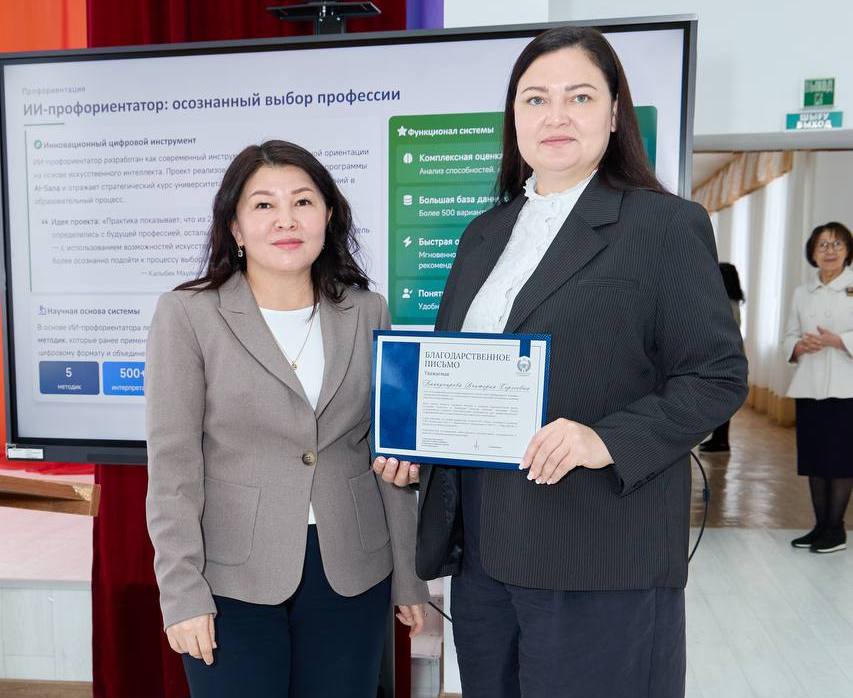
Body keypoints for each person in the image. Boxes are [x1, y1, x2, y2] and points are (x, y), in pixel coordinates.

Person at [376, 26, 747, 698]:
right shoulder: (483, 234)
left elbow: (716, 375)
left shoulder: (663, 225)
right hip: (485, 556)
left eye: (579, 97)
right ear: (513, 117)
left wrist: (604, 439)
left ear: (614, 113)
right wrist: (416, 444)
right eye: (535, 98)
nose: (555, 116)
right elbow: (460, 370)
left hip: (598, 555)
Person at [145, 140, 428, 698]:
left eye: (302, 201)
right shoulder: (188, 314)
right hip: (231, 577)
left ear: (328, 215)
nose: (286, 220)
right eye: (263, 205)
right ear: (235, 226)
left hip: (352, 571)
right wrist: (180, 593)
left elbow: (386, 451)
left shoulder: (366, 309)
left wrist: (409, 576)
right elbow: (174, 468)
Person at [785, 221, 853, 553]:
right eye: (823, 245)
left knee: (840, 460)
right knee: (815, 459)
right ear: (812, 252)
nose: (830, 251)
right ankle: (820, 526)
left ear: (848, 251)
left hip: (846, 389)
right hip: (809, 387)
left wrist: (840, 341)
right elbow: (788, 335)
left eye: (837, 244)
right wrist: (799, 346)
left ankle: (836, 529)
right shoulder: (802, 292)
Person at [699, 262, 745, 452]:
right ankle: (718, 439)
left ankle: (721, 441)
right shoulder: (732, 302)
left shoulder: (726, 304)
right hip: (728, 359)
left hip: (723, 360)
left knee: (719, 403)